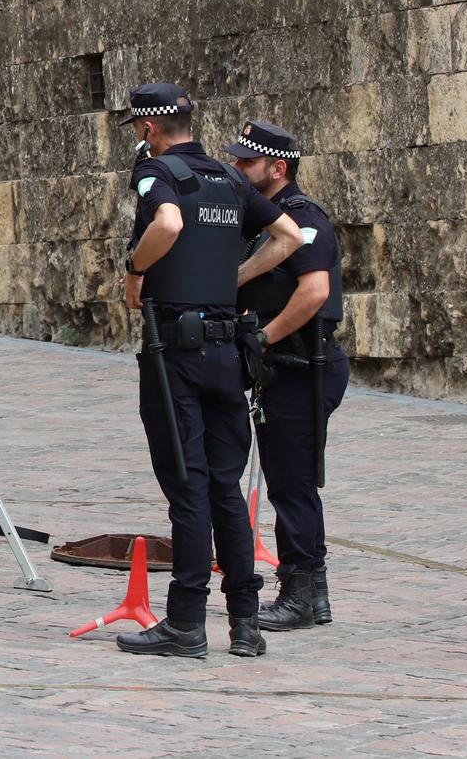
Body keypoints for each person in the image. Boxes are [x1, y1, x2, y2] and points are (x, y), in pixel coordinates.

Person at [115, 83, 302, 659]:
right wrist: (232, 281)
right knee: (225, 488)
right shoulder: (230, 178)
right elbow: (288, 237)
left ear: (148, 130)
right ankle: (244, 623)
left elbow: (167, 224)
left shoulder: (159, 175)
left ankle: (187, 620)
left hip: (177, 352)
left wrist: (134, 265)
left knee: (189, 490)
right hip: (228, 353)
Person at [225, 119, 348, 632]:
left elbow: (315, 291)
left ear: (278, 169)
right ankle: (310, 597)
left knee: (293, 484)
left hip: (303, 365)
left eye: (247, 163)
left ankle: (301, 592)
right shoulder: (263, 223)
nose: (237, 170)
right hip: (285, 366)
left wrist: (265, 338)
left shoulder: (303, 217)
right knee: (288, 482)